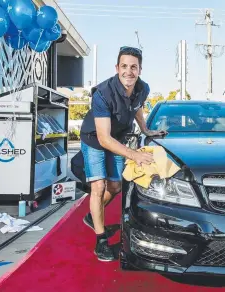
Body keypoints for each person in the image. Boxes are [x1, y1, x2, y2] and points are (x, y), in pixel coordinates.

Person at [79, 46, 166, 261]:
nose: (129, 71)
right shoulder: (102, 93)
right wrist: (134, 155)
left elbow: (136, 107)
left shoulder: (143, 88)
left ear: (140, 70)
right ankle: (101, 241)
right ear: (117, 68)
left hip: (118, 139)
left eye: (134, 67)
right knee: (98, 186)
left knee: (116, 186)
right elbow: (103, 138)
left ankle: (93, 215)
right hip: (95, 139)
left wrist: (145, 129)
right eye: (124, 66)